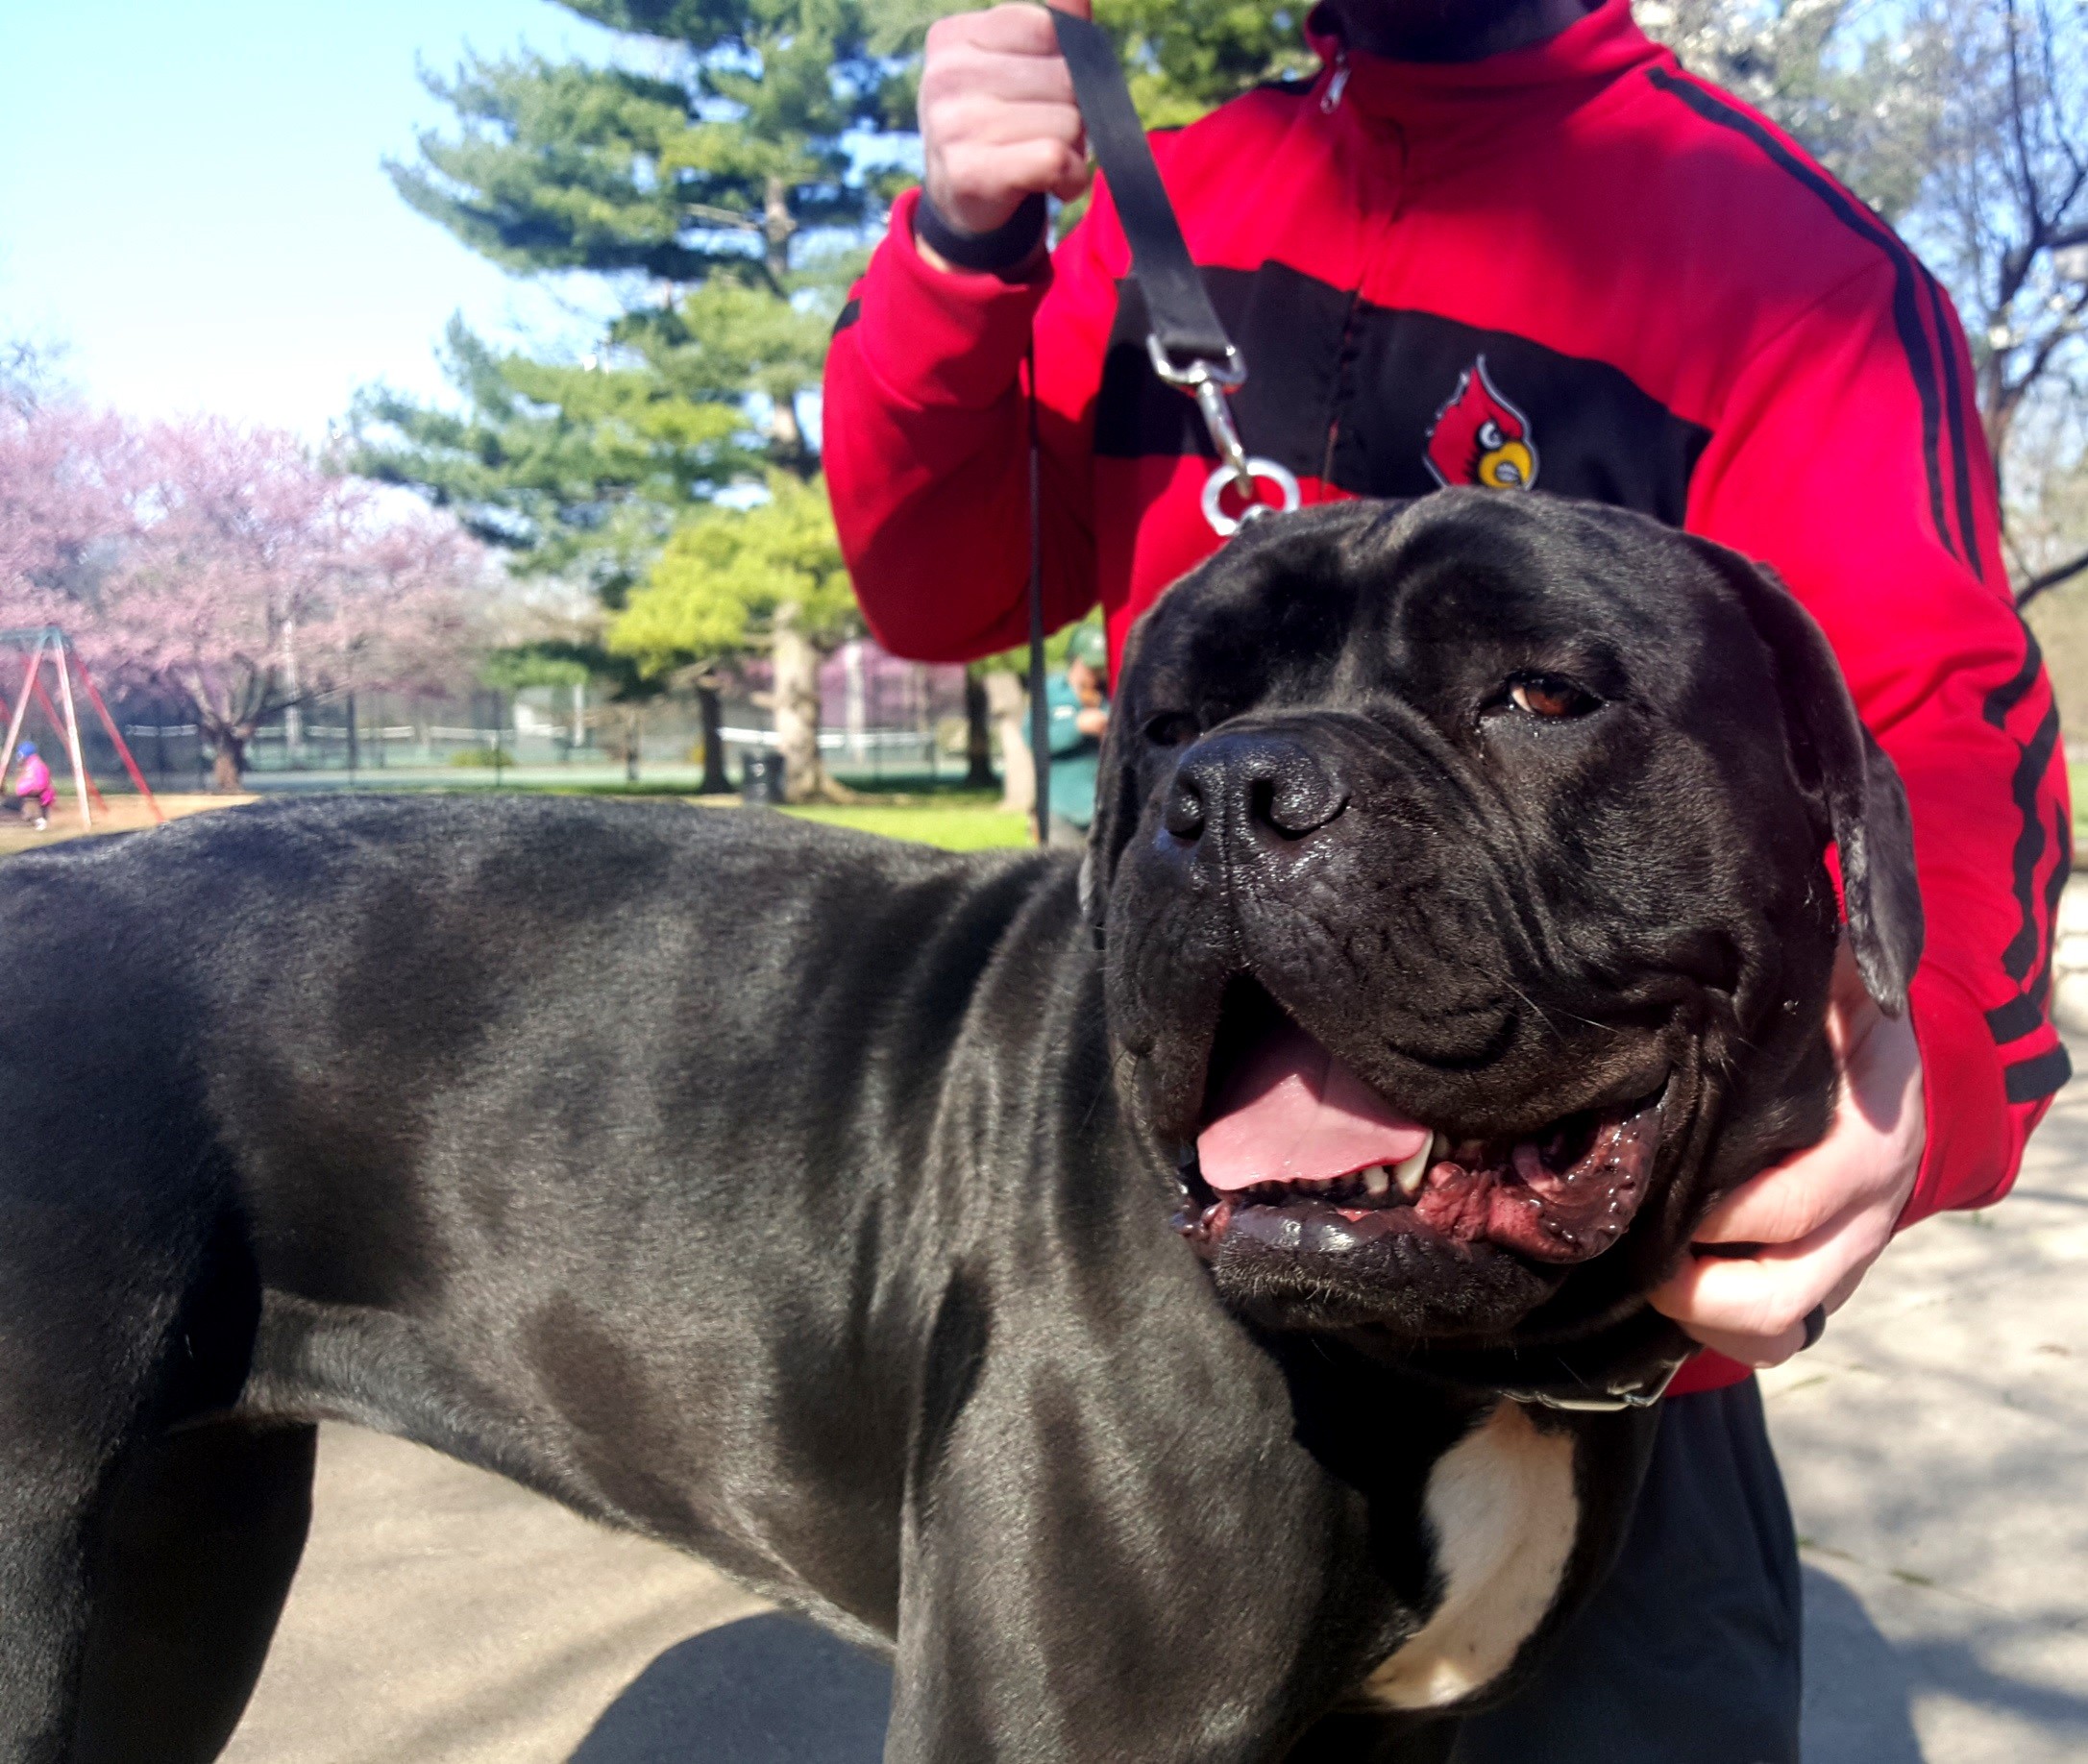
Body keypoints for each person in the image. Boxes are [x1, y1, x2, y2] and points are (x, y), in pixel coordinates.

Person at [822, 0, 2070, 1756]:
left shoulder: (1782, 258)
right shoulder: (1142, 203)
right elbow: (929, 588)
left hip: (1609, 1333)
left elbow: (1935, 715)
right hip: (1161, 1273)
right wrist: (960, 249)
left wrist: (1912, 1059)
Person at [1044, 621, 1110, 845]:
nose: (1095, 673)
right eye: (1090, 666)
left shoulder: (1110, 694)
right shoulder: (1051, 692)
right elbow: (1034, 739)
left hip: (1101, 807)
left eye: (1100, 667)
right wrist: (1076, 727)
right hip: (1062, 805)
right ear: (1075, 659)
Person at [12, 741, 54, 831]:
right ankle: (32, 818)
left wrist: (26, 790)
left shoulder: (37, 765)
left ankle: (39, 820)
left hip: (40, 797)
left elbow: (41, 784)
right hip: (31, 795)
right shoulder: (29, 766)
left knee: (24, 804)